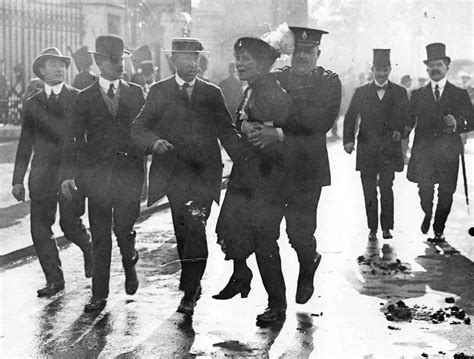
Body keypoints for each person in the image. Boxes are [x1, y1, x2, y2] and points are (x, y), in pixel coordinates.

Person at [131, 37, 246, 317]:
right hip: (174, 176)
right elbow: (139, 127)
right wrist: (154, 142)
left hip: (205, 175)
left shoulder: (211, 92)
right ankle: (190, 278)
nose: (192, 62)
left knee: (194, 225)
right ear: (174, 61)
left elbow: (226, 131)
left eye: (195, 57)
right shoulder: (159, 91)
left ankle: (190, 290)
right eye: (185, 57)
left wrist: (246, 158)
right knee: (183, 230)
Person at [213, 33, 299, 325]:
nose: (239, 63)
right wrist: (241, 127)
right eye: (237, 58)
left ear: (262, 64)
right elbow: (245, 124)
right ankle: (241, 275)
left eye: (246, 59)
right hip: (249, 177)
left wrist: (236, 132)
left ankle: (278, 304)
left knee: (264, 242)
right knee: (232, 226)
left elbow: (278, 140)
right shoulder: (252, 88)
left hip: (268, 181)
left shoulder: (270, 92)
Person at [253, 26, 341, 305]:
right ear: (291, 51)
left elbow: (318, 122)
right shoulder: (274, 77)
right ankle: (275, 303)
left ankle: (308, 262)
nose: (303, 57)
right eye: (298, 51)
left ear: (318, 53)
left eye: (309, 51)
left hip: (306, 171)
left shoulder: (328, 82)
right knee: (264, 234)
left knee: (299, 233)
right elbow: (250, 105)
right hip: (272, 169)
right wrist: (248, 122)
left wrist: (278, 132)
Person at [60, 35, 145, 312]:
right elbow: (72, 138)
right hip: (95, 178)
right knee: (100, 236)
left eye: (122, 59)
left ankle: (129, 259)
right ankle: (99, 294)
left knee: (123, 228)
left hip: (129, 176)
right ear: (98, 62)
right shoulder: (84, 98)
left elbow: (144, 129)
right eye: (113, 60)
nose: (120, 65)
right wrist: (67, 174)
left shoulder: (135, 92)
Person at [12, 47, 93, 297]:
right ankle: (54, 280)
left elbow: (88, 142)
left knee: (69, 226)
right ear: (42, 70)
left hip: (71, 176)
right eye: (53, 64)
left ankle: (89, 248)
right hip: (41, 176)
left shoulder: (79, 98)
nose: (59, 69)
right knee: (40, 230)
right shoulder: (32, 103)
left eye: (62, 64)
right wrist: (17, 180)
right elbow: (25, 144)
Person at [406, 43, 474, 242]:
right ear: (427, 69)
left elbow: (472, 119)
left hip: (449, 151)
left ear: (446, 67)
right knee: (424, 189)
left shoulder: (459, 94)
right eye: (431, 65)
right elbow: (408, 119)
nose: (434, 69)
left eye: (439, 64)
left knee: (446, 192)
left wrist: (458, 123)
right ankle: (427, 213)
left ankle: (438, 228)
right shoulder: (418, 94)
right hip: (424, 151)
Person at [343, 49, 409, 241]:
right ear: (372, 70)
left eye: (385, 70)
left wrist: (400, 129)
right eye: (378, 70)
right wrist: (348, 140)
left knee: (387, 187)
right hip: (367, 147)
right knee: (368, 188)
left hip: (389, 148)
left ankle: (387, 227)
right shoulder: (361, 92)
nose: (381, 74)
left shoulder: (400, 92)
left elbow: (407, 116)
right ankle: (372, 227)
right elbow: (350, 117)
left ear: (390, 69)